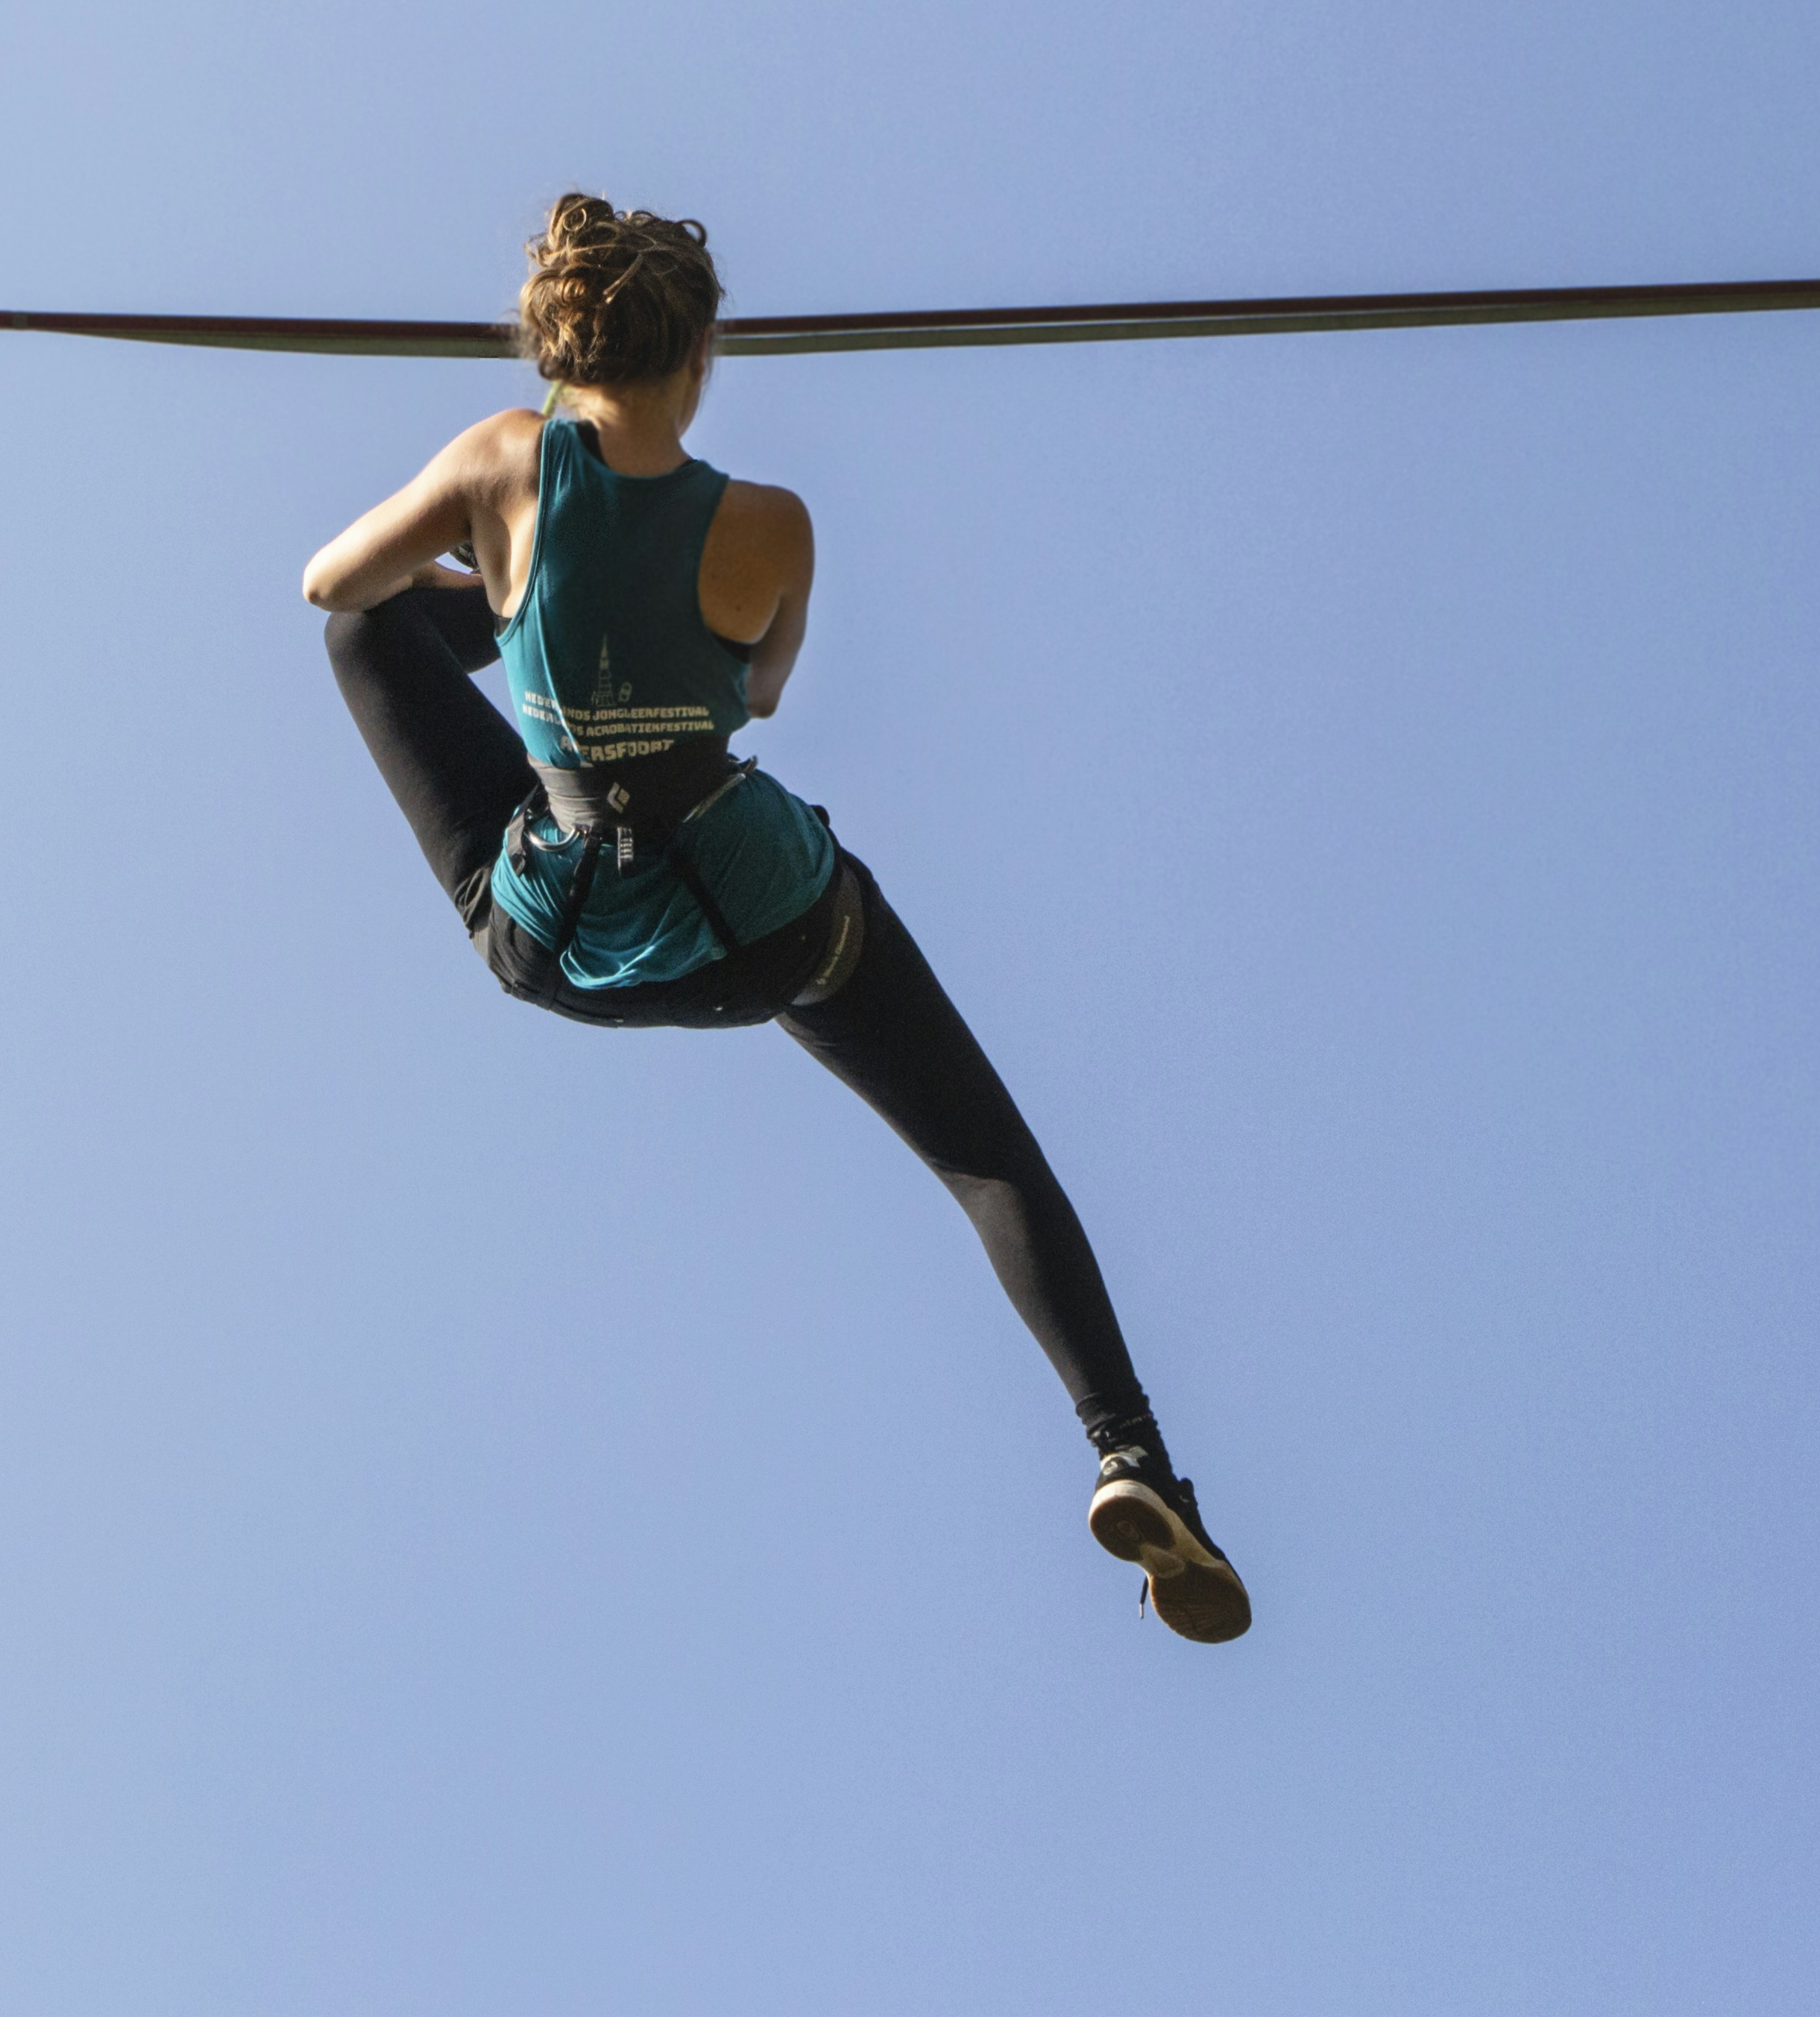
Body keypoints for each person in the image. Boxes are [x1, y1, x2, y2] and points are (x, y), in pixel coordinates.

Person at [304, 195, 1250, 1643]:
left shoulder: (499, 458)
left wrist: (507, 590)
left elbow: (335, 585)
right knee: (986, 1158)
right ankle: (1131, 1457)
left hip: (562, 937)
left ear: (562, 345)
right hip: (766, 921)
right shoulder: (774, 527)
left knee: (365, 635)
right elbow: (757, 695)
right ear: (702, 355)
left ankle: (518, 617)